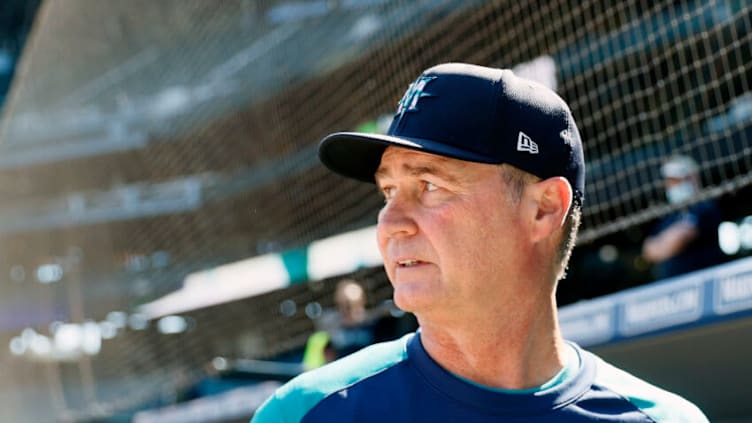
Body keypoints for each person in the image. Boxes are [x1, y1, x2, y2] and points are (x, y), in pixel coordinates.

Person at [252, 63, 708, 422]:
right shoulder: (305, 414)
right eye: (388, 191)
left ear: (544, 208)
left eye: (430, 185)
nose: (391, 222)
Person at [642, 155, 725, 280]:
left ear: (693, 179)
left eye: (676, 180)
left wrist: (662, 245)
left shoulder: (703, 207)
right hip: (674, 289)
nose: (671, 186)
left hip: (705, 282)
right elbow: (648, 250)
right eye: (669, 182)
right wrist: (666, 245)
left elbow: (680, 239)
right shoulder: (669, 215)